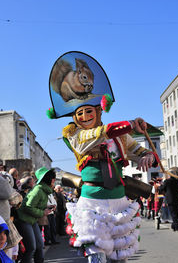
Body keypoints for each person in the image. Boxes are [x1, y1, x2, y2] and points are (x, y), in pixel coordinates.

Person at [47, 51, 159, 263]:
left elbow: (138, 150)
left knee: (120, 257)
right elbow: (93, 137)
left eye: (89, 112)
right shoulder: (73, 133)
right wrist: (127, 125)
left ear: (98, 111)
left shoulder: (120, 137)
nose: (85, 117)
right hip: (92, 204)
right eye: (80, 114)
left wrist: (148, 156)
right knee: (96, 256)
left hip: (118, 201)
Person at [16, 167, 56, 263]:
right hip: (24, 220)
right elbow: (27, 207)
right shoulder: (38, 190)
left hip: (32, 220)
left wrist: (47, 207)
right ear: (49, 180)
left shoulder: (42, 190)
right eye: (53, 178)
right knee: (31, 248)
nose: (54, 181)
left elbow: (35, 205)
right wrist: (43, 212)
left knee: (39, 246)